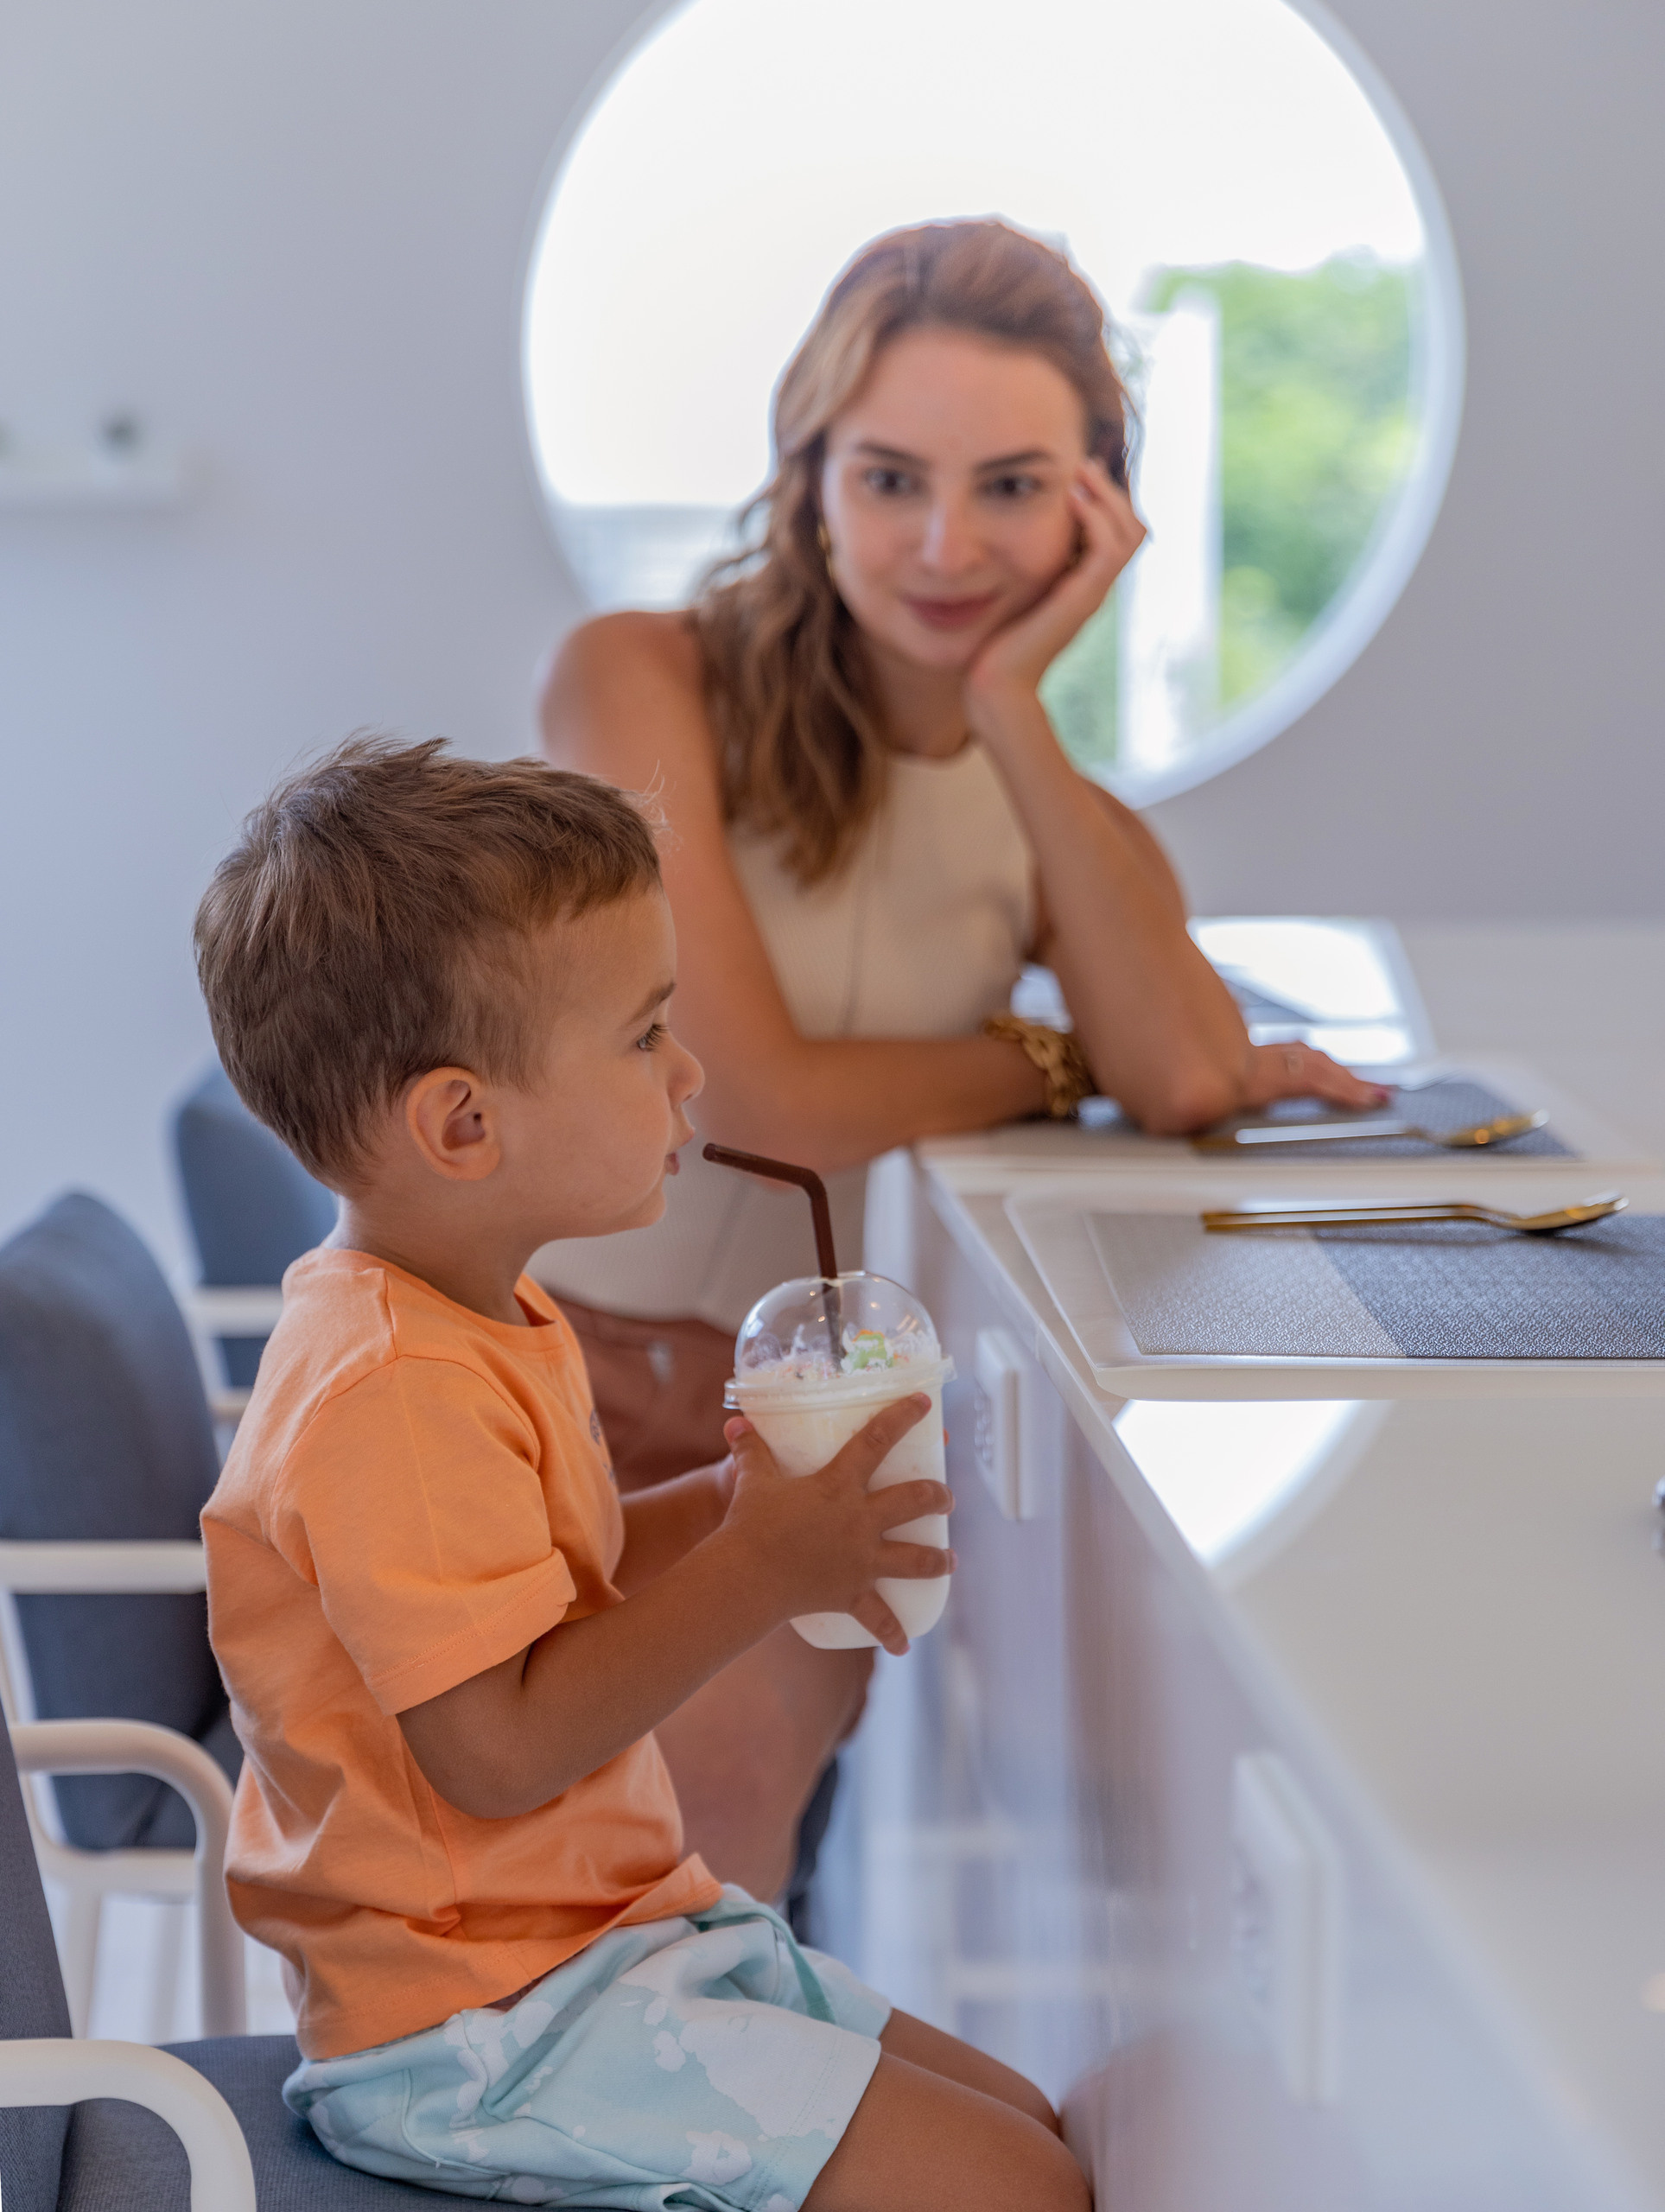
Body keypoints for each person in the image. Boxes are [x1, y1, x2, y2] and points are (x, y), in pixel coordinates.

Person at [535, 217, 1388, 1893]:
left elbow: (1189, 1078)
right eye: (888, 477)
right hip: (536, 1383)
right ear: (809, 476)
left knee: (718, 1797)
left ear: (1098, 508)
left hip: (798, 1415)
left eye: (1010, 486)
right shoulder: (638, 682)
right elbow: (752, 1093)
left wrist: (1011, 699)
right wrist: (1034, 1054)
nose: (943, 543)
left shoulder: (1042, 792)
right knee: (607, 1826)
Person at [194, 736, 1088, 2212]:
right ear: (463, 1123)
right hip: (480, 2030)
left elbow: (554, 1594)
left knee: (1032, 2132)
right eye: (644, 1034)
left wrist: (739, 1511)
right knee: (1017, 2188)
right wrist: (758, 1570)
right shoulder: (389, 1394)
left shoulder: (473, 1308)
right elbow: (495, 1753)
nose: (689, 1076)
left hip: (600, 1943)